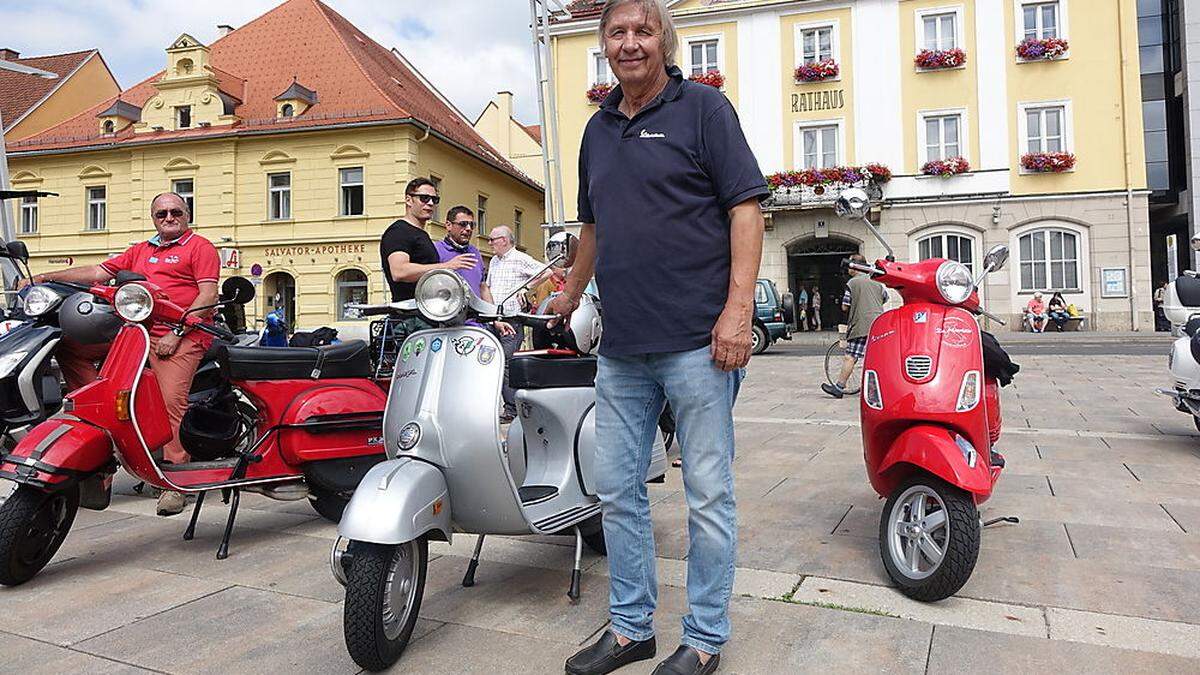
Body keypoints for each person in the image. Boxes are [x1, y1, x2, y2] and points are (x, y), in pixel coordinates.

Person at [553, 2, 768, 672]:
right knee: (616, 488)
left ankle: (703, 638)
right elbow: (593, 229)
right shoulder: (595, 130)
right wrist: (567, 292)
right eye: (617, 33)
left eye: (643, 30)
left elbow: (746, 210)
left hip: (698, 344)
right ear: (604, 46)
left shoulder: (703, 109)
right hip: (622, 347)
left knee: (707, 494)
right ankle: (630, 628)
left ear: (664, 42)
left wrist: (737, 313)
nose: (630, 43)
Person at [19, 193, 219, 516]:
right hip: (135, 331)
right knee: (69, 347)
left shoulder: (200, 247)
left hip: (182, 334)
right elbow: (98, 272)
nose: (169, 217)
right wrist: (45, 277)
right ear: (153, 218)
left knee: (170, 401)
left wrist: (176, 331)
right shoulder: (141, 250)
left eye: (175, 212)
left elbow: (208, 294)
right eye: (161, 213)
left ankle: (173, 480)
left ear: (187, 214)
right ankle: (106, 431)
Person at [379, 178, 477, 338]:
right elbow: (399, 271)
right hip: (410, 320)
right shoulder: (399, 231)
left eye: (435, 199)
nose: (430, 203)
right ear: (408, 200)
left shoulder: (422, 235)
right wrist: (446, 266)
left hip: (428, 318)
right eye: (424, 198)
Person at [486, 224, 550, 422]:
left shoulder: (519, 258)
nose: (489, 243)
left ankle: (513, 408)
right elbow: (488, 287)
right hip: (493, 318)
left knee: (506, 362)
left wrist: (527, 288)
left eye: (492, 239)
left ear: (504, 240)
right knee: (495, 363)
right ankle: (506, 406)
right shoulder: (495, 261)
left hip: (511, 318)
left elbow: (546, 271)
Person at [435, 205, 516, 344]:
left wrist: (495, 318)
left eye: (471, 225)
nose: (468, 229)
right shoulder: (436, 250)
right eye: (463, 224)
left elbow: (483, 287)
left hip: (476, 328)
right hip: (446, 329)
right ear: (448, 225)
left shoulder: (475, 252)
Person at [821, 255, 886, 399]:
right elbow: (885, 298)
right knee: (875, 359)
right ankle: (875, 390)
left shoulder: (852, 283)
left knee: (850, 357)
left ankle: (839, 387)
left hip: (861, 325)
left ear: (855, 266)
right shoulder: (877, 282)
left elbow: (845, 306)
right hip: (879, 325)